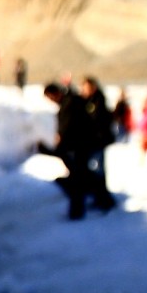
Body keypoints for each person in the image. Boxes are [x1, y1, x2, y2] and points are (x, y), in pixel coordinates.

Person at [41, 81, 116, 219]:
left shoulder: (70, 104)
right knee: (85, 177)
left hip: (80, 146)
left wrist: (61, 141)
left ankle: (80, 211)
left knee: (81, 179)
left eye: (50, 97)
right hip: (81, 145)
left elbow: (68, 127)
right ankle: (103, 201)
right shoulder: (70, 101)